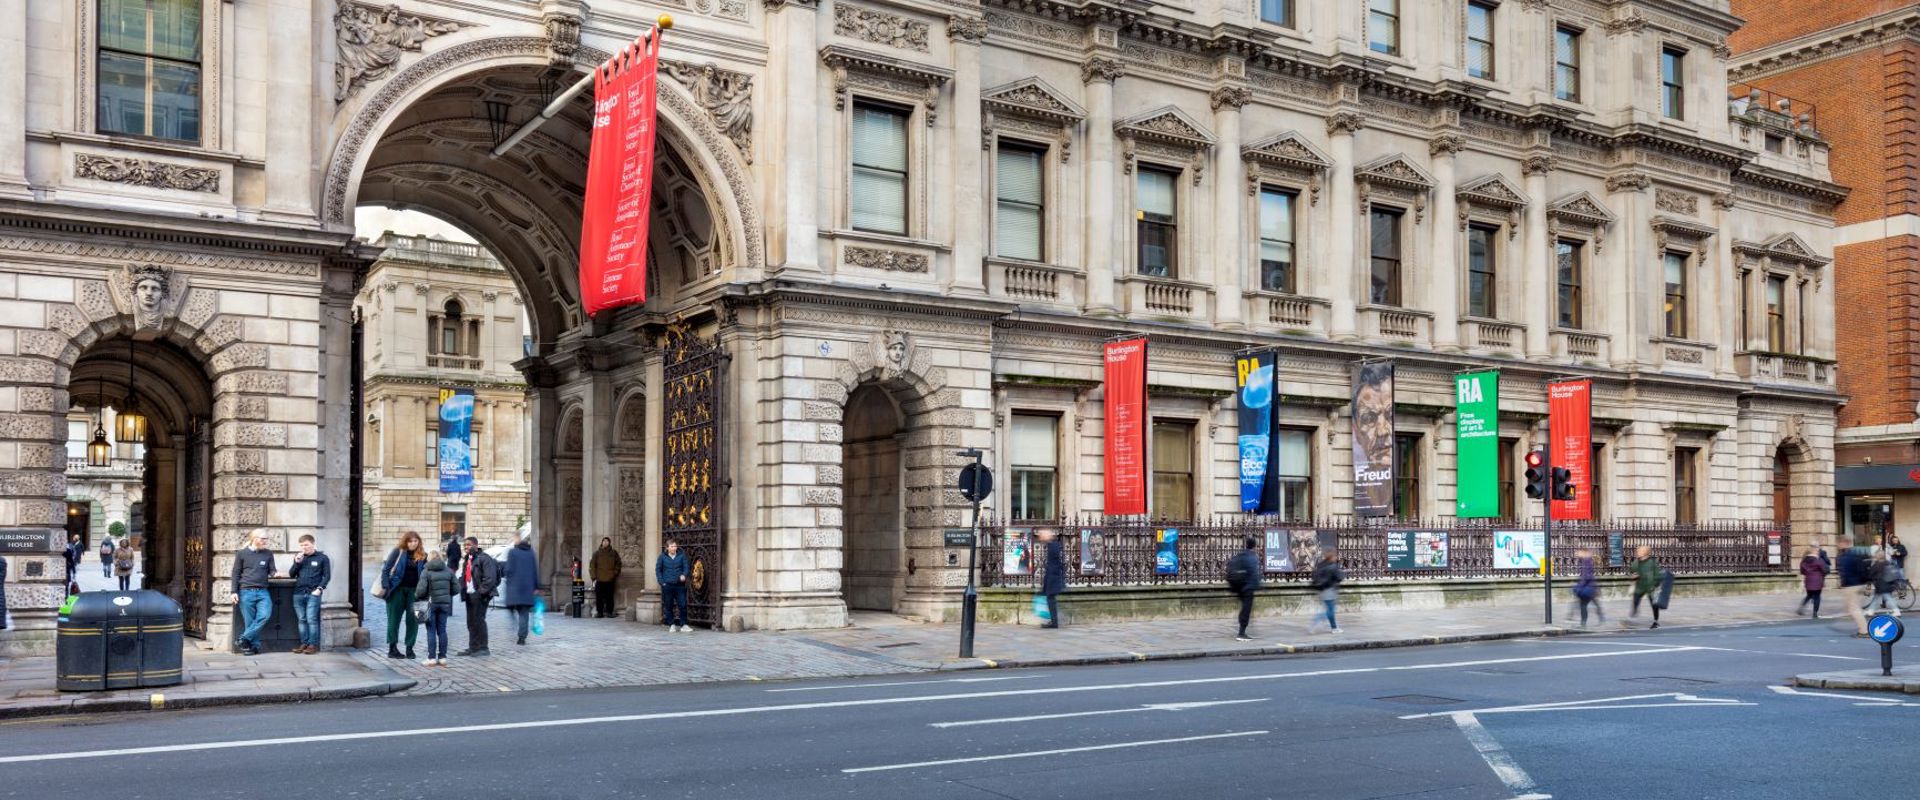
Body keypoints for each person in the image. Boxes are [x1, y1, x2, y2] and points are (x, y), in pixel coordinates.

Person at [378, 531, 428, 659]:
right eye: (410, 541)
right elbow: (386, 569)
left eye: (415, 541)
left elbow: (426, 574)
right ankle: (392, 648)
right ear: (406, 542)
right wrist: (386, 586)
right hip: (397, 590)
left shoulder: (423, 555)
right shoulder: (398, 552)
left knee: (413, 621)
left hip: (415, 592)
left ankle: (409, 648)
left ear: (419, 542)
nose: (413, 544)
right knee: (393, 620)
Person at [230, 529, 278, 655]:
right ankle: (252, 647)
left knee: (265, 615)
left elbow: (272, 570)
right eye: (263, 539)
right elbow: (235, 574)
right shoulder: (241, 554)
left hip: (263, 592)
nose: (265, 541)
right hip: (246, 591)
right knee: (249, 621)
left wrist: (275, 574)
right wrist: (233, 592)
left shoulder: (268, 553)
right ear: (254, 539)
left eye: (266, 539)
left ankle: (243, 639)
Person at [288, 534, 330, 654]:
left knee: (311, 619)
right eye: (301, 545)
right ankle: (304, 643)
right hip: (298, 593)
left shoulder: (322, 558)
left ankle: (312, 645)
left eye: (306, 544)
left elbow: (327, 576)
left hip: (313, 593)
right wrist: (297, 562)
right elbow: (292, 574)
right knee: (301, 619)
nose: (304, 547)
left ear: (312, 544)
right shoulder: (299, 557)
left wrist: (320, 589)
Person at [457, 536, 500, 655]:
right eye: (465, 545)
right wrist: (460, 585)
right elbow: (464, 576)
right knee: (471, 621)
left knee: (479, 620)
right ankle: (473, 647)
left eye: (469, 545)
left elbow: (490, 578)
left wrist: (480, 592)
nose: (466, 547)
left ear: (476, 545)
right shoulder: (468, 559)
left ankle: (483, 648)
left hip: (480, 595)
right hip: (469, 595)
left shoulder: (484, 559)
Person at [413, 550, 456, 666]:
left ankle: (431, 658)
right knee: (442, 630)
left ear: (429, 559)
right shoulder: (449, 571)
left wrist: (416, 596)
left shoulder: (426, 571)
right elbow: (456, 589)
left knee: (431, 630)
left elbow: (421, 590)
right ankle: (442, 658)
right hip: (445, 604)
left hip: (431, 603)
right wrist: (446, 594)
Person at [502, 533, 538, 645]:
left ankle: (513, 620)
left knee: (512, 607)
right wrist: (536, 586)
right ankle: (522, 637)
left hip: (515, 587)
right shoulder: (531, 552)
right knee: (524, 613)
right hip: (527, 588)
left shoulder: (512, 552)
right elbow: (535, 571)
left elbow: (508, 570)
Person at [1227, 536, 1262, 641]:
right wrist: (1259, 585)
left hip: (1239, 586)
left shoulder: (1241, 554)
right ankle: (1241, 633)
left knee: (1245, 609)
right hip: (1248, 587)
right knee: (1246, 609)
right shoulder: (1252, 557)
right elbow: (1254, 573)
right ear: (1254, 546)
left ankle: (1242, 630)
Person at [1838, 540, 1871, 637]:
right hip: (1860, 584)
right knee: (1855, 608)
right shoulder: (1856, 554)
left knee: (1854, 609)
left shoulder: (1845, 557)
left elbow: (1845, 572)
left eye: (1839, 543)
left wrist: (1844, 584)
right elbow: (1862, 569)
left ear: (1844, 544)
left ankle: (1864, 631)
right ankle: (1863, 628)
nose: (1838, 545)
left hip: (1851, 585)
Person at [656, 539, 691, 632]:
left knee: (683, 604)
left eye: (675, 546)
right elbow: (658, 570)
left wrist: (684, 574)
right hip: (667, 585)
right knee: (668, 605)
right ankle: (671, 624)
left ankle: (684, 625)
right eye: (672, 546)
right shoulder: (662, 557)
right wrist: (662, 582)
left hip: (680, 585)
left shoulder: (681, 556)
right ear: (667, 548)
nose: (674, 548)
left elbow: (686, 567)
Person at [1308, 548, 1345, 633]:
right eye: (1335, 556)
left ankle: (1334, 627)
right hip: (1329, 590)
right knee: (1330, 611)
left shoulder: (1320, 565)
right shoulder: (1332, 566)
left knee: (1330, 609)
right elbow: (1339, 577)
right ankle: (1317, 622)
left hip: (1321, 589)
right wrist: (1343, 573)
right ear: (1332, 556)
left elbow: (1314, 576)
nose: (1336, 557)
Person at [1038, 530, 1066, 630]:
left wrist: (1050, 582)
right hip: (1053, 578)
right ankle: (1053, 622)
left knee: (1050, 599)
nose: (1040, 538)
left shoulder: (1053, 546)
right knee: (1050, 599)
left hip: (1053, 578)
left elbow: (1055, 565)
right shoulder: (1052, 545)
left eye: (1041, 535)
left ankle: (1054, 623)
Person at [1629, 545, 1662, 629]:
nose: (1637, 552)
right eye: (1637, 551)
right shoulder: (1636, 562)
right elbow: (1632, 571)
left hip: (1651, 587)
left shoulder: (1652, 563)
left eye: (1639, 551)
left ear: (1645, 553)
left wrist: (1655, 584)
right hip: (1640, 585)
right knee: (1635, 599)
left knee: (1654, 605)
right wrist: (1633, 576)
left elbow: (1657, 574)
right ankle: (1635, 611)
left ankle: (1656, 621)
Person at [590, 537, 622, 619]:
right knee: (599, 597)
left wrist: (614, 573)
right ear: (601, 542)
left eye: (607, 541)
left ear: (609, 543)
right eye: (604, 541)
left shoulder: (614, 553)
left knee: (609, 597)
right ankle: (599, 612)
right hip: (599, 579)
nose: (605, 543)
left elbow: (618, 563)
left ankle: (609, 612)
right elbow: (592, 566)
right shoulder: (596, 553)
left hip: (610, 579)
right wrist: (594, 577)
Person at [1573, 548, 1604, 627]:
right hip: (1591, 587)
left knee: (1583, 605)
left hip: (1588, 587)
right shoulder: (1587, 561)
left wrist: (1580, 586)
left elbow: (1587, 576)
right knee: (1594, 603)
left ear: (1583, 552)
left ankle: (1583, 624)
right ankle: (1601, 618)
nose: (1577, 554)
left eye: (1579, 552)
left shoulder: (1586, 562)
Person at [1868, 549, 1902, 618]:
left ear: (1877, 556)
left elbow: (1871, 574)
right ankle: (1870, 611)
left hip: (1881, 584)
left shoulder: (1877, 564)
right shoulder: (1887, 563)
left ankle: (1896, 611)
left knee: (1888, 598)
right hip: (1888, 583)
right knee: (1876, 598)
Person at [1798, 547, 1829, 619]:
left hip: (1808, 580)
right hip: (1818, 581)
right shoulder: (1818, 560)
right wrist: (1823, 574)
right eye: (1817, 551)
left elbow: (1802, 571)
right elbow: (1825, 570)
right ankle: (1815, 613)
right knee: (1817, 597)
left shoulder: (1804, 561)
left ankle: (1802, 607)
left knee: (1809, 595)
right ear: (1814, 552)